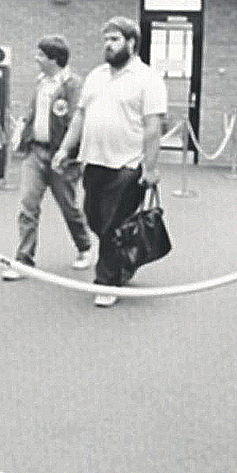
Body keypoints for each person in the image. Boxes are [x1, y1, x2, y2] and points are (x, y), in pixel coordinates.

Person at [52, 17, 167, 307]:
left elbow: (153, 127)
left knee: (113, 223)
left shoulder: (148, 79)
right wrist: (65, 149)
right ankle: (123, 261)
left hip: (128, 164)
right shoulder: (96, 76)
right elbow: (79, 116)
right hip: (94, 162)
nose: (108, 45)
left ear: (131, 43)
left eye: (114, 39)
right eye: (106, 39)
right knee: (94, 216)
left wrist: (151, 168)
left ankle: (106, 281)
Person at [2, 35, 92, 281]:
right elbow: (34, 112)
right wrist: (24, 129)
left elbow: (76, 119)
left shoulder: (73, 85)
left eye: (40, 55)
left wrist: (67, 153)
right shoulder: (40, 82)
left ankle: (84, 246)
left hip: (60, 156)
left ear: (54, 59)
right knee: (27, 206)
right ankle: (24, 261)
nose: (35, 58)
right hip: (36, 152)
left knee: (68, 207)